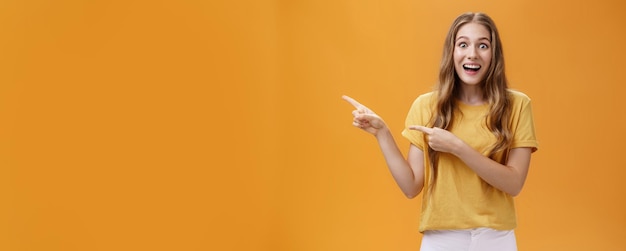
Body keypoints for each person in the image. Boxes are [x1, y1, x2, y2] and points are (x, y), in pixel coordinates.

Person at [342, 12, 538, 251]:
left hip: (496, 239)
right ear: (452, 52)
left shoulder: (517, 105)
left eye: (483, 45)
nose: (472, 53)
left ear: (494, 54)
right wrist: (382, 133)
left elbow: (514, 183)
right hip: (442, 241)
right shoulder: (426, 106)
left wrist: (457, 147)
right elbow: (411, 186)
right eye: (463, 44)